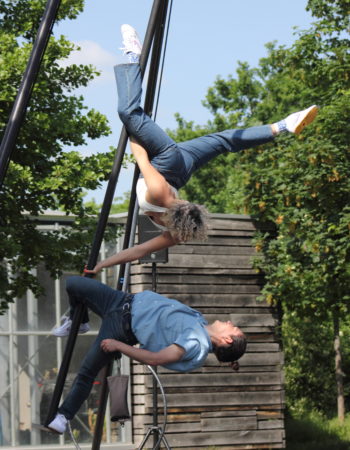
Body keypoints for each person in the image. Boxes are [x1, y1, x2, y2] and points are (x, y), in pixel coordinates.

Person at [84, 25, 319, 277]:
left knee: (222, 142)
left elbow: (138, 251)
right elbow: (140, 155)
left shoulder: (181, 231)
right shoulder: (159, 195)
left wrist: (101, 265)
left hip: (183, 169)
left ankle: (282, 126)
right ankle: (133, 56)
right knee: (128, 113)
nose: (184, 201)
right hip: (165, 161)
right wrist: (136, 128)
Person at [47, 275, 247, 433]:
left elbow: (156, 359)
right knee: (73, 284)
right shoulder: (200, 322)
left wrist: (119, 345)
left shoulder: (195, 344)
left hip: (120, 329)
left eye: (233, 328)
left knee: (86, 372)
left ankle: (63, 417)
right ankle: (78, 320)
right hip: (121, 301)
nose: (230, 323)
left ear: (226, 340)